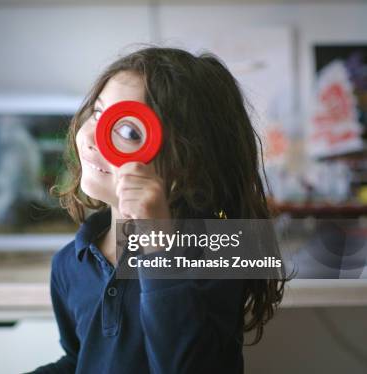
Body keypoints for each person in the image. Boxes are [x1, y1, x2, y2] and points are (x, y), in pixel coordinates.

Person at [30, 46, 285, 374]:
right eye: (97, 112)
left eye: (128, 131)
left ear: (189, 165)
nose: (94, 137)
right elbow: (81, 360)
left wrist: (158, 245)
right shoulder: (70, 262)